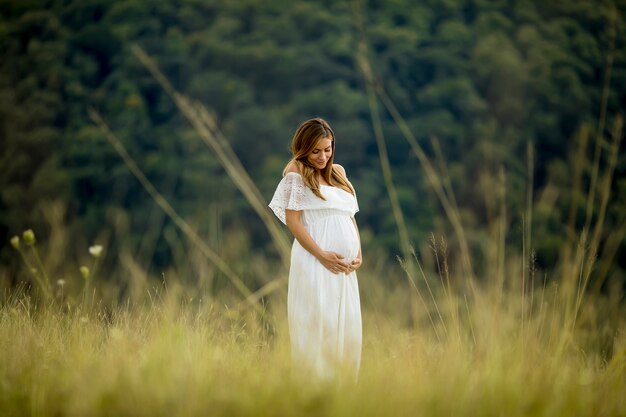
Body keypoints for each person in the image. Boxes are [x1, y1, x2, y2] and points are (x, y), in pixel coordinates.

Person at [269, 117, 363, 380]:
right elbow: (293, 220)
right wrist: (321, 254)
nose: (323, 156)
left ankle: (343, 395)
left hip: (344, 270)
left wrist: (358, 254)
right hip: (315, 262)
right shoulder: (296, 171)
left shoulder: (339, 173)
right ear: (304, 148)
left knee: (348, 330)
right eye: (316, 151)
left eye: (328, 149)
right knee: (320, 327)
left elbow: (349, 216)